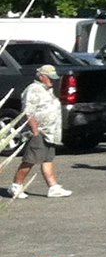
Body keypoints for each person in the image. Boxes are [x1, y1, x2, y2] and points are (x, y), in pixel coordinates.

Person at [9, 65, 70, 198]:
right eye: (50, 78)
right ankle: (16, 186)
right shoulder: (33, 89)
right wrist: (35, 131)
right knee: (30, 160)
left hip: (50, 132)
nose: (52, 80)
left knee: (47, 159)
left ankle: (53, 187)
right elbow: (28, 111)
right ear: (41, 76)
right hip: (39, 131)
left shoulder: (47, 90)